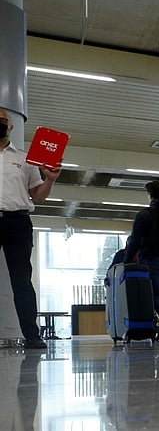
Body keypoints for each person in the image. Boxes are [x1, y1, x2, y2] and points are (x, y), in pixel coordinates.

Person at [0, 108, 61, 349]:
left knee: (22, 281)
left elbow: (37, 196)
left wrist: (50, 179)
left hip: (18, 222)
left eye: (2, 121)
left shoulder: (26, 159)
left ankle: (32, 335)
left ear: (11, 127)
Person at [123, 180, 159, 342]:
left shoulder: (144, 215)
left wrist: (127, 261)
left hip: (152, 259)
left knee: (154, 294)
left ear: (149, 195)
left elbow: (135, 240)